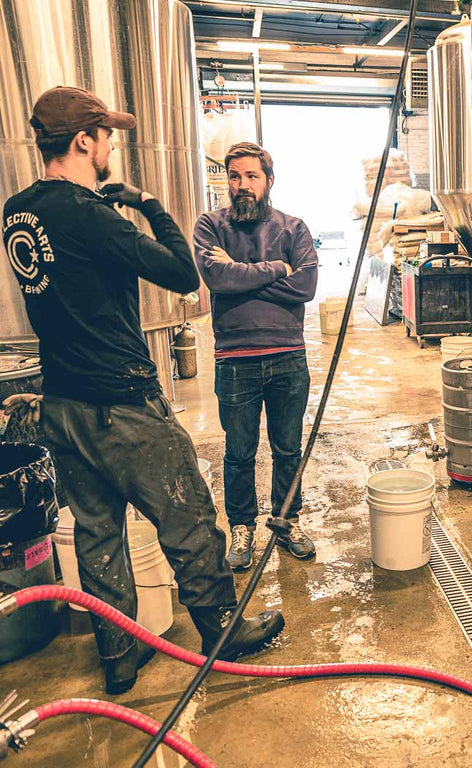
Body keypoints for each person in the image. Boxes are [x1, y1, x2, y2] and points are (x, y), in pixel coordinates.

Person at [1, 87, 284, 695]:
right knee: (188, 519)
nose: (110, 147)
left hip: (63, 406)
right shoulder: (91, 215)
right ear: (83, 142)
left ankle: (119, 658)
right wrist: (148, 204)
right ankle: (220, 633)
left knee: (99, 537)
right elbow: (183, 274)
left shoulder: (16, 211)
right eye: (105, 137)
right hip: (122, 403)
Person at [193, 142, 318, 570]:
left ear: (268, 180)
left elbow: (306, 288)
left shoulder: (293, 228)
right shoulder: (210, 226)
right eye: (234, 176)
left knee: (287, 449)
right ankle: (241, 528)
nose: (242, 184)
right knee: (239, 451)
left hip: (288, 357)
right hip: (235, 359)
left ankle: (286, 520)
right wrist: (277, 268)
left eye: (251, 176)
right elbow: (217, 277)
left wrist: (242, 275)